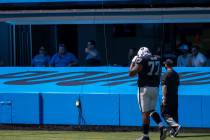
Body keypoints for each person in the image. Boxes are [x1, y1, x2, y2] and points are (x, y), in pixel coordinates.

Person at [129, 47, 167, 140]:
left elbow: (131, 73)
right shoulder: (157, 58)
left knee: (144, 113)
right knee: (151, 111)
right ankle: (162, 126)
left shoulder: (141, 59)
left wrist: (133, 62)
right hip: (155, 88)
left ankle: (145, 136)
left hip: (144, 88)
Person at [161, 59, 181, 137]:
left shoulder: (165, 74)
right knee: (174, 114)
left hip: (168, 97)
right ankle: (174, 131)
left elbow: (164, 86)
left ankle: (175, 126)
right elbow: (177, 85)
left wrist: (164, 97)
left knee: (164, 113)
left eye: (164, 64)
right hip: (175, 97)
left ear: (166, 65)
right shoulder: (176, 74)